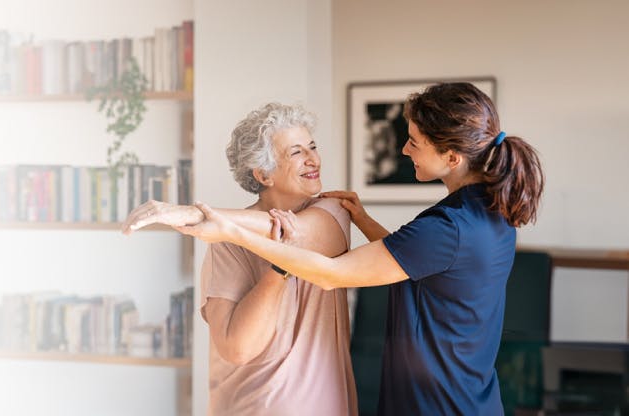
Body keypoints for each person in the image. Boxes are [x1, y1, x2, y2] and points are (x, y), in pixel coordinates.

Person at [124, 83, 544, 415]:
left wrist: (220, 225)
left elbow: (327, 268)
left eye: (414, 141)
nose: (403, 148)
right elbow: (416, 259)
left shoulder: (422, 223)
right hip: (455, 397)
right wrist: (226, 229)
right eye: (296, 151)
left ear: (452, 157)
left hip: (439, 403)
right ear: (262, 174)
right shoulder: (487, 210)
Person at [124, 102, 357, 415]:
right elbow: (238, 348)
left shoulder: (334, 211)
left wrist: (200, 214)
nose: (313, 159)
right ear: (263, 174)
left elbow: (299, 233)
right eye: (296, 152)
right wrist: (278, 269)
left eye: (312, 147)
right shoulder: (226, 243)